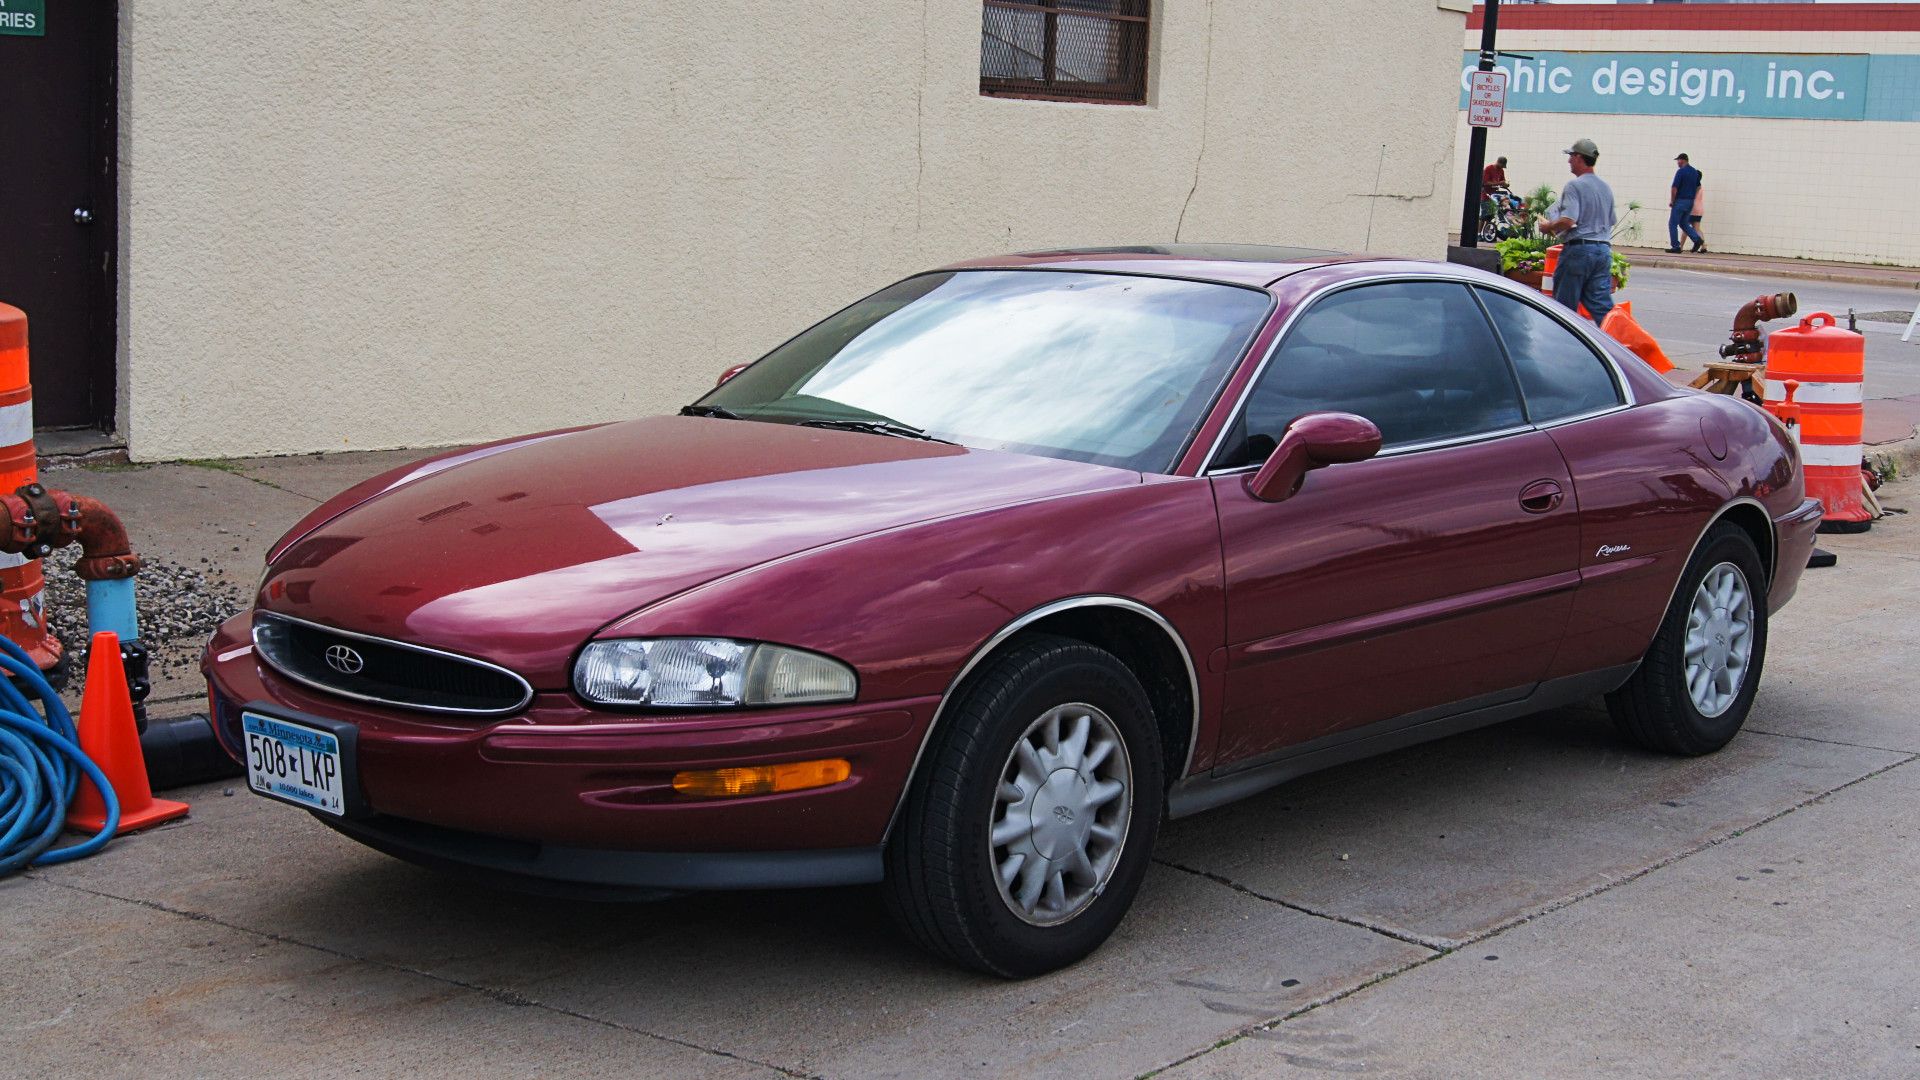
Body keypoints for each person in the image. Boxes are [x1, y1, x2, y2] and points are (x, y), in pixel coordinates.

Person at [1539, 138, 1616, 326]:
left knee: (1564, 309)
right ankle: (1619, 344)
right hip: (1603, 250)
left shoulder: (1575, 186)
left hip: (1579, 251)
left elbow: (1569, 220)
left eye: (1571, 156)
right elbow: (1611, 220)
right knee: (1601, 307)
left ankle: (1566, 349)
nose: (1569, 161)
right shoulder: (1605, 187)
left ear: (1579, 157)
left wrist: (1548, 226)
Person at [1668, 153, 1705, 253]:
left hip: (1680, 200)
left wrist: (1672, 200)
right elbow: (1698, 186)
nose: (1677, 163)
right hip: (1690, 202)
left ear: (1683, 160)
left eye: (1678, 161)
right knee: (1684, 223)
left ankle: (1676, 246)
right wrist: (1692, 196)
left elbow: (1674, 188)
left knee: (1672, 223)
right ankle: (1697, 240)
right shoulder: (1694, 172)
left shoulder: (1681, 172)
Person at [1687, 183, 1707, 253]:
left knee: (1685, 227)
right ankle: (1704, 246)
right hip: (1700, 209)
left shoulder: (1694, 186)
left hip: (1693, 210)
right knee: (1697, 229)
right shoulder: (1701, 187)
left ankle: (1680, 246)